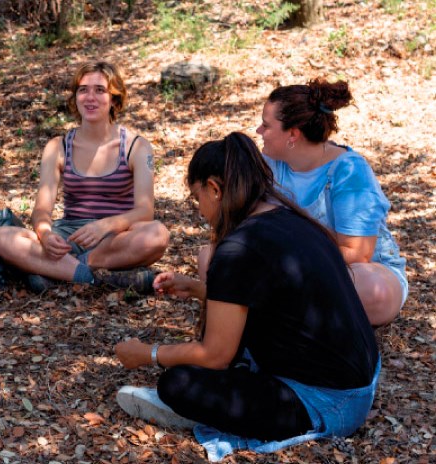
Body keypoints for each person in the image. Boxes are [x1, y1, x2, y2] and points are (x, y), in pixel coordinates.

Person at [114, 133, 380, 461]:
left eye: (197, 198)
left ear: (214, 187)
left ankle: (202, 411)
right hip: (362, 381)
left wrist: (148, 354)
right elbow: (275, 301)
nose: (199, 211)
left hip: (326, 402)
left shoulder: (238, 248)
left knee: (177, 384)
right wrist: (200, 289)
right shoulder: (287, 215)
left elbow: (215, 355)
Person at [0, 61, 169, 292]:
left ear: (114, 98)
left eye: (100, 90)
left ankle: (58, 272)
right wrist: (45, 235)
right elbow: (42, 210)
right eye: (83, 90)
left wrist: (104, 226)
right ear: (75, 97)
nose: (90, 97)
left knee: (158, 235)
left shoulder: (136, 146)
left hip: (115, 240)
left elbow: (145, 212)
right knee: (2, 237)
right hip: (69, 237)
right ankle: (96, 278)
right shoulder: (58, 146)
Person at [254, 78, 406, 326]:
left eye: (266, 125)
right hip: (288, 263)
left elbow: (357, 254)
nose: (259, 132)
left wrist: (290, 240)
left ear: (293, 133)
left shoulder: (348, 171)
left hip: (355, 270)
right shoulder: (269, 163)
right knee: (213, 256)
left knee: (370, 288)